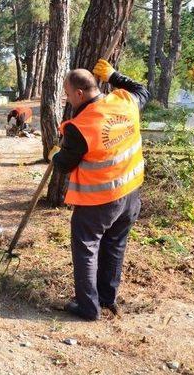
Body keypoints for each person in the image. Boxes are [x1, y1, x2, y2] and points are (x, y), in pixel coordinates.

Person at [50, 59, 150, 321]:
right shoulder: (124, 102)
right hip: (130, 193)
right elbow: (142, 91)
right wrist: (115, 76)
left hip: (100, 200)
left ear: (80, 94)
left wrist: (55, 156)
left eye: (68, 94)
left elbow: (65, 165)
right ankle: (107, 298)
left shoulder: (80, 126)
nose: (68, 99)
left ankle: (88, 308)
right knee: (115, 245)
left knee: (86, 246)